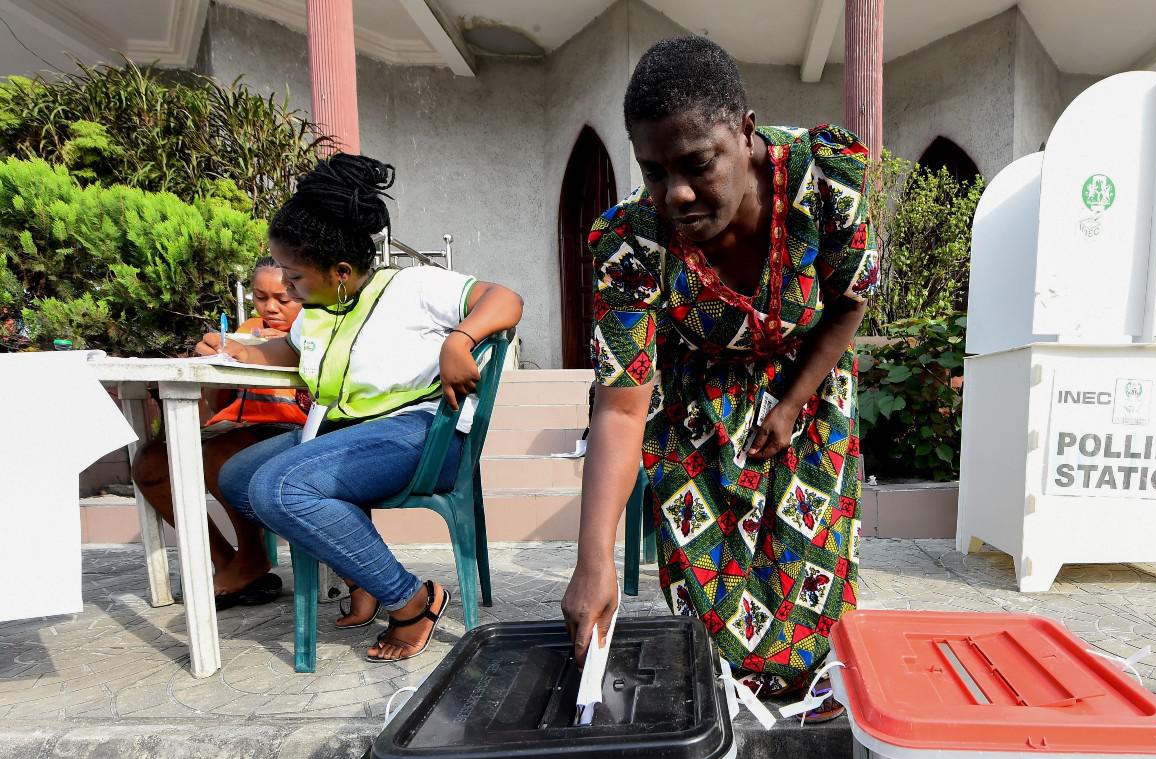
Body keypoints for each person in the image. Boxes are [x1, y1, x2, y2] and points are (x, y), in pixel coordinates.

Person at [560, 37, 878, 719]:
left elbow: (851, 299)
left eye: (697, 164)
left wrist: (793, 402)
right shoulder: (630, 244)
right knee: (714, 587)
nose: (675, 193)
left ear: (747, 132)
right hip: (694, 404)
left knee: (806, 562)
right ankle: (729, 718)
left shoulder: (826, 181)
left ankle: (815, 712)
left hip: (810, 382)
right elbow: (619, 409)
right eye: (652, 170)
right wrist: (594, 561)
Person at [201, 153, 524, 663]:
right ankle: (363, 575)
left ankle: (412, 601)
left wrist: (460, 338)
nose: (286, 289)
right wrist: (239, 350)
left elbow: (504, 298)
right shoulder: (317, 309)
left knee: (278, 487)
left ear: (343, 272)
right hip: (341, 433)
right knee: (237, 475)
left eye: (295, 276)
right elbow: (291, 350)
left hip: (422, 434)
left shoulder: (413, 286)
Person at [131, 257, 308, 608]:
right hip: (237, 425)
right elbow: (216, 402)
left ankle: (251, 555)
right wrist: (223, 359)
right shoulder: (246, 331)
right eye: (260, 297)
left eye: (283, 299)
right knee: (150, 462)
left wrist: (279, 351)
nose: (270, 308)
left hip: (293, 427)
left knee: (225, 453)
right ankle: (230, 562)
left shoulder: (315, 330)